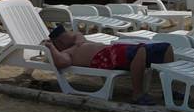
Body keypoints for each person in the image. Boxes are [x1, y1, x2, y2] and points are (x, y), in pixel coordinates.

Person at [43, 26, 175, 104]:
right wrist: (50, 47)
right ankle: (137, 94)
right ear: (59, 43)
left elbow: (77, 35)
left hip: (113, 50)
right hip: (106, 58)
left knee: (165, 48)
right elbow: (62, 63)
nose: (71, 35)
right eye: (66, 36)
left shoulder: (78, 41)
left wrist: (73, 40)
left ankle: (169, 92)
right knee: (140, 50)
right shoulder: (67, 53)